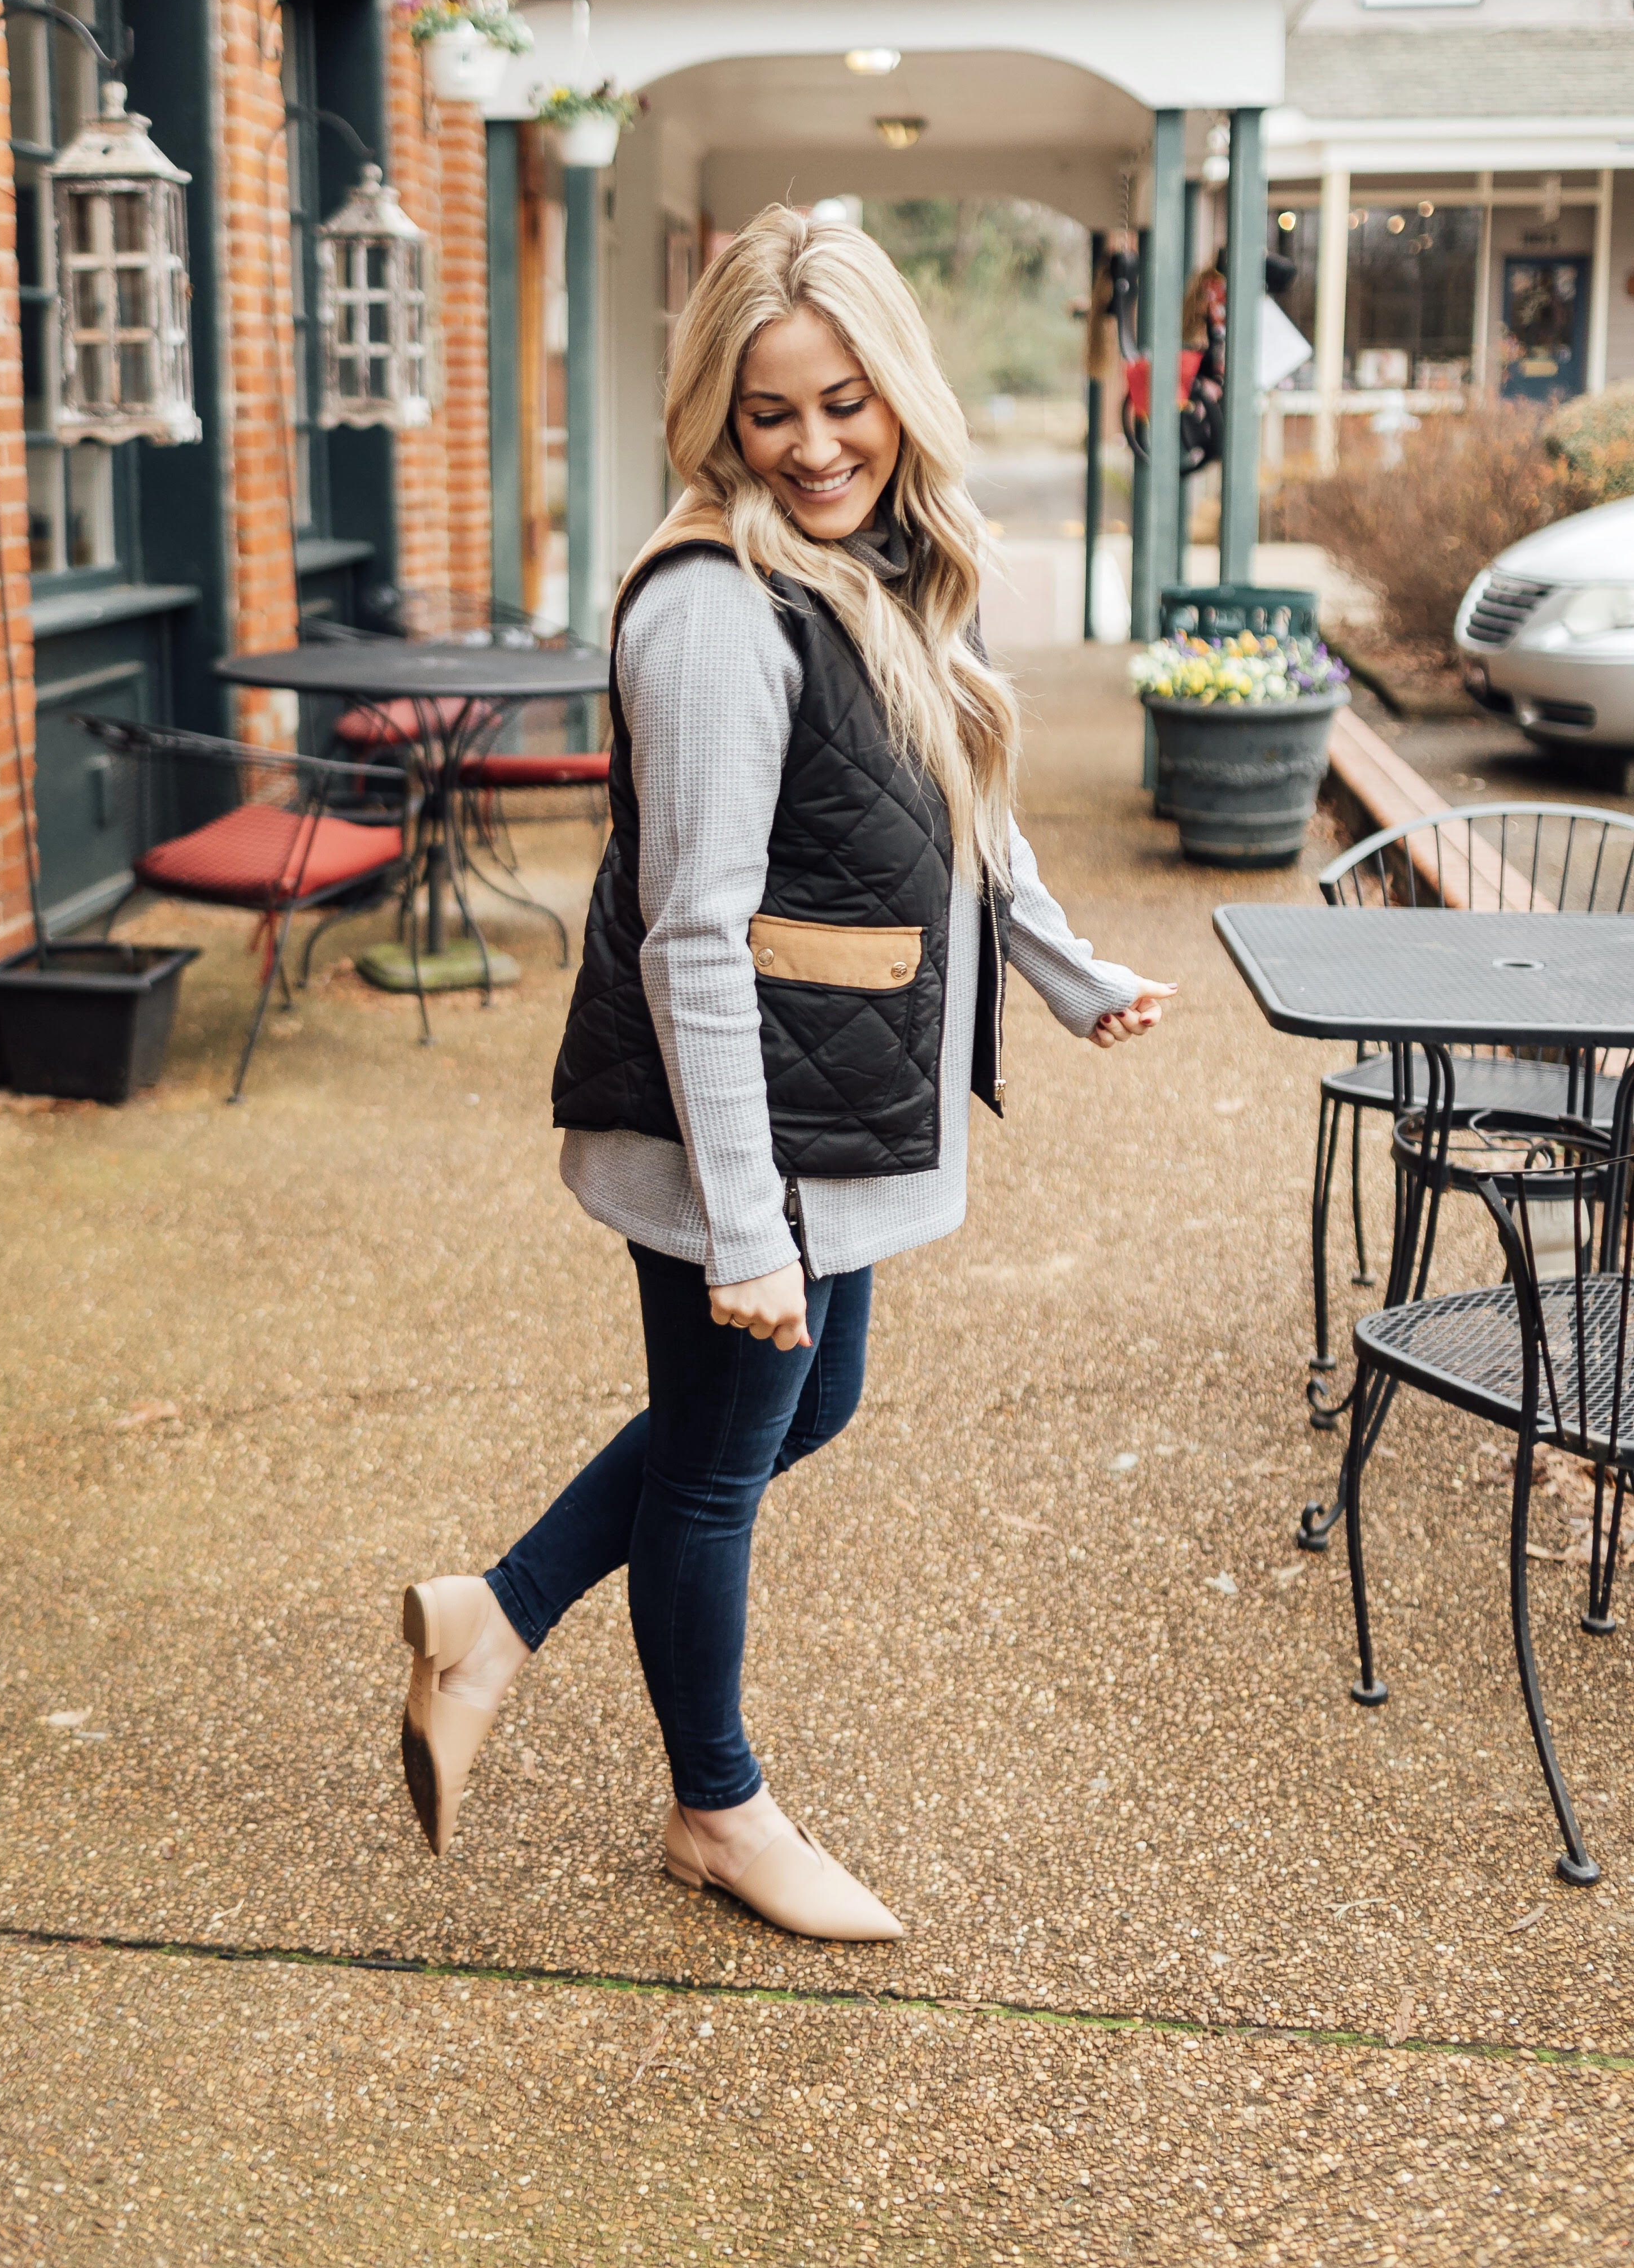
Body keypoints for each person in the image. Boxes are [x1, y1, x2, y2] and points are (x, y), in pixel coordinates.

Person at [399, 207, 1174, 1941]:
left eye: (849, 403)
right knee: (727, 1454)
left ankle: (496, 1614)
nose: (818, 447)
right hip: (745, 1130)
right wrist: (746, 1227)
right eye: (773, 417)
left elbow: (965, 806)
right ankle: (716, 1807)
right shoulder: (714, 611)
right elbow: (694, 935)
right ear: (716, 421)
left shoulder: (888, 564)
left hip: (832, 1101)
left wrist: (1065, 971)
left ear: (899, 393)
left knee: (793, 1412)